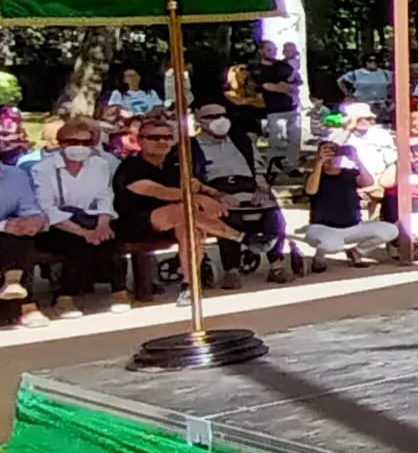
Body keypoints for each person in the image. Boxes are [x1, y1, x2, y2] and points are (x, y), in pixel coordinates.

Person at [111, 116, 239, 302]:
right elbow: (158, 191)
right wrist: (199, 199)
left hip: (175, 223)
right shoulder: (130, 167)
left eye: (167, 137)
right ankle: (235, 235)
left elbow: (194, 183)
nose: (162, 141)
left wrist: (217, 195)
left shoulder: (175, 163)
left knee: (190, 229)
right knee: (182, 210)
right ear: (140, 141)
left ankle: (189, 284)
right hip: (135, 224)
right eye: (154, 138)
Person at [193, 103, 299, 285]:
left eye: (222, 115)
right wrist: (216, 195)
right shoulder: (192, 147)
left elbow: (258, 169)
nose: (219, 120)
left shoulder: (241, 140)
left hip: (248, 187)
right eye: (211, 117)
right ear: (199, 121)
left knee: (273, 214)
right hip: (216, 190)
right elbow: (192, 179)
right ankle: (231, 269)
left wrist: (262, 190)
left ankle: (276, 264)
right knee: (226, 214)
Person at [31, 117, 127, 318]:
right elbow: (47, 207)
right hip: (58, 225)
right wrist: (83, 232)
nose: (80, 147)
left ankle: (119, 292)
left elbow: (105, 195)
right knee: (77, 244)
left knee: (111, 239)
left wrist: (103, 224)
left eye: (86, 142)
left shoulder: (100, 165)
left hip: (91, 219)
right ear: (61, 143)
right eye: (73, 142)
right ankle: (65, 297)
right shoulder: (42, 169)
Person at [302, 139, 397, 271]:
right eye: (326, 150)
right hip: (322, 228)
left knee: (391, 230)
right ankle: (319, 258)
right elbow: (311, 190)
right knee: (333, 245)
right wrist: (319, 162)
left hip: (353, 227)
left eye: (334, 150)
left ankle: (357, 252)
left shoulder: (349, 173)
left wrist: (356, 159)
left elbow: (368, 182)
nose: (331, 154)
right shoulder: (314, 175)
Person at [0, 161, 49, 328]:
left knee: (23, 237)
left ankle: (20, 294)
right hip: (4, 228)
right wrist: (4, 226)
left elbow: (29, 206)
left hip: (9, 234)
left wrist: (35, 220)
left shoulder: (16, 175)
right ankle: (24, 302)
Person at [253, 40, 302, 179]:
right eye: (269, 49)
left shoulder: (283, 66)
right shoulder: (257, 69)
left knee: (294, 140)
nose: (273, 52)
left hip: (291, 109)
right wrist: (284, 87)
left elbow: (296, 83)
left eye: (274, 49)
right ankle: (273, 167)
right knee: (276, 142)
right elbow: (267, 86)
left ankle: (292, 166)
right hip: (272, 111)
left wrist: (285, 87)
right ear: (261, 51)